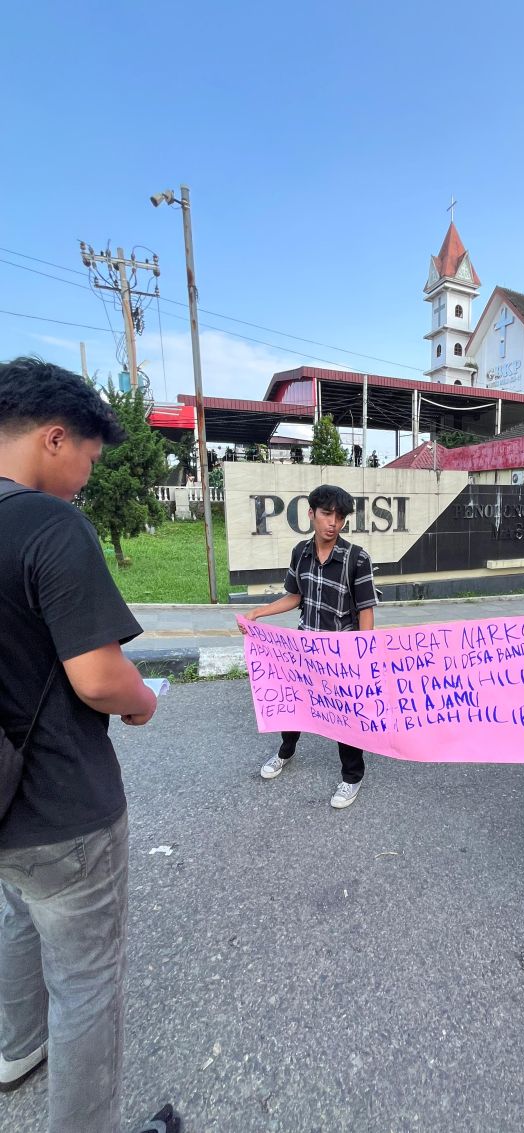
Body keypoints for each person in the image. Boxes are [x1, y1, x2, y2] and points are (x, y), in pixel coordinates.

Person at [0, 358, 179, 1131]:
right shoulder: (50, 524)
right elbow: (101, 677)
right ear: (54, 436)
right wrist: (143, 703)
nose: (87, 476)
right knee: (88, 982)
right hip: (62, 806)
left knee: (13, 918)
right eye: (90, 459)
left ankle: (14, 1049)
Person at [241, 484, 378, 808]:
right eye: (327, 514)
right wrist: (259, 613)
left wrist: (364, 652)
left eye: (340, 517)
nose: (333, 523)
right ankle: (285, 753)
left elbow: (367, 610)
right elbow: (295, 596)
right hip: (304, 649)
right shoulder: (300, 553)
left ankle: (352, 777)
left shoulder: (356, 558)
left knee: (346, 715)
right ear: (311, 514)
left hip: (341, 653)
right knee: (293, 703)